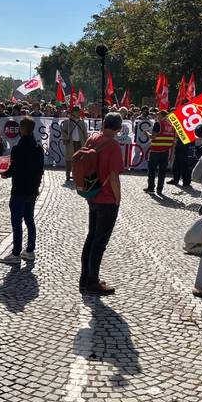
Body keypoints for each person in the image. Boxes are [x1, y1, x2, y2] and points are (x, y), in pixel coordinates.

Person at [79, 112, 125, 296]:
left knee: (91, 237)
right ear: (119, 128)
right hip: (106, 197)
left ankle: (85, 278)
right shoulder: (113, 144)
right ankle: (93, 281)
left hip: (92, 193)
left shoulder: (93, 138)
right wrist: (118, 198)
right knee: (100, 241)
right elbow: (114, 176)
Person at [0, 117, 45, 265]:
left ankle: (16, 253)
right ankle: (30, 251)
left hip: (19, 189)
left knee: (17, 222)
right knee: (30, 220)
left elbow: (14, 168)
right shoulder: (38, 149)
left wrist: (5, 173)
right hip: (32, 189)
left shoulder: (18, 149)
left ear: (22, 129)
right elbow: (40, 170)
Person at [144, 110, 174, 196]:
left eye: (158, 114)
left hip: (156, 151)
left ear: (161, 115)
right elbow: (172, 140)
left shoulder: (158, 124)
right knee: (162, 172)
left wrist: (146, 133)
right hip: (165, 151)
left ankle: (151, 188)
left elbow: (153, 137)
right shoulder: (171, 125)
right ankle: (159, 189)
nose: (157, 116)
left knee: (152, 170)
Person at [61, 106, 88, 182]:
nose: (77, 113)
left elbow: (85, 134)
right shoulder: (67, 122)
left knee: (79, 160)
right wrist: (66, 138)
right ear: (73, 112)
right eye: (76, 111)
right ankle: (68, 175)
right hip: (71, 143)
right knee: (69, 160)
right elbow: (63, 131)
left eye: (78, 111)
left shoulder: (82, 122)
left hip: (80, 143)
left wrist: (87, 143)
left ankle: (77, 174)